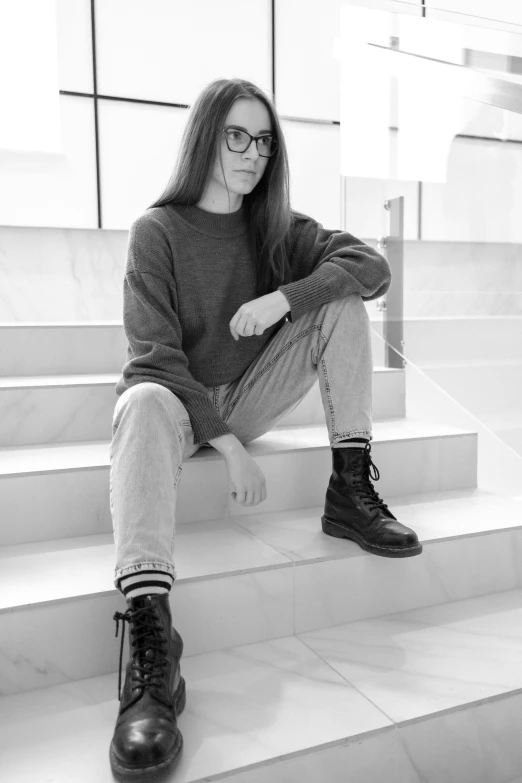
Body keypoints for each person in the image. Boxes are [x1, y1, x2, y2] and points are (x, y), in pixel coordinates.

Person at [108, 77, 421, 780]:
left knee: (342, 301)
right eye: (237, 137)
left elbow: (373, 267)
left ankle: (349, 489)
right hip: (174, 404)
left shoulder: (276, 229)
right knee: (141, 402)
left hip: (250, 391)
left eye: (265, 140)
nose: (254, 154)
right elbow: (152, 356)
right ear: (206, 139)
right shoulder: (156, 232)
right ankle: (151, 638)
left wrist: (286, 295)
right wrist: (224, 442)